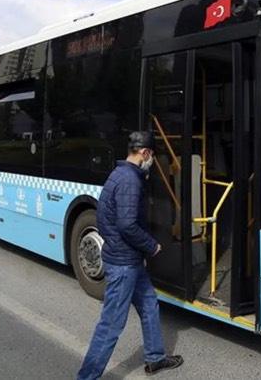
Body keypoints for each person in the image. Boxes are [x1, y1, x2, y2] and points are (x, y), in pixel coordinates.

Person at [77, 131, 183, 380]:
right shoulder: (130, 181)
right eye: (152, 156)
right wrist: (151, 245)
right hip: (124, 264)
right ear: (145, 153)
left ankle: (155, 358)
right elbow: (127, 225)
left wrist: (122, 246)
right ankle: (86, 377)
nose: (152, 161)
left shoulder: (119, 173)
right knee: (111, 324)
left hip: (129, 260)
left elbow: (104, 218)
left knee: (149, 304)